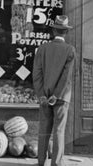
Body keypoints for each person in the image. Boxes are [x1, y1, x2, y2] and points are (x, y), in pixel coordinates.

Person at [32, 15, 76, 166]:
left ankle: (40, 162)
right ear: (66, 32)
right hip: (62, 97)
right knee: (59, 131)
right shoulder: (70, 50)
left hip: (45, 95)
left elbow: (37, 74)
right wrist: (56, 95)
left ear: (53, 31)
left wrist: (42, 95)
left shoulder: (43, 49)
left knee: (44, 130)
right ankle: (56, 164)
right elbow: (66, 77)